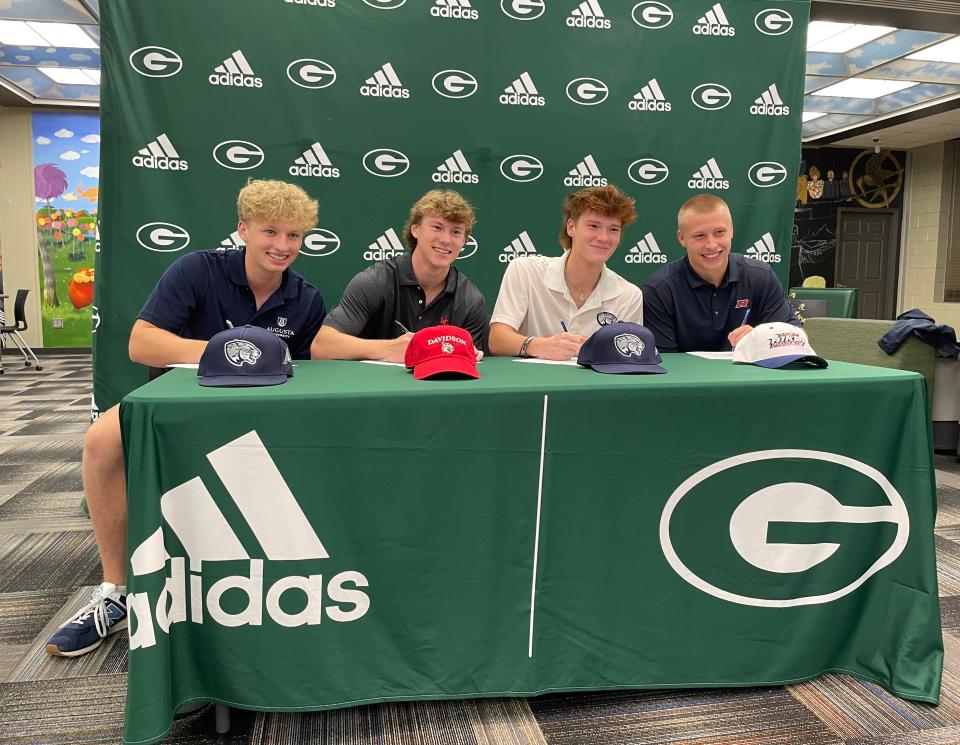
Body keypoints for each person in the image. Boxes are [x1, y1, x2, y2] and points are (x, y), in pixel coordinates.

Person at [45, 179, 326, 657]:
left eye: (294, 236)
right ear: (243, 229)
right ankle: (116, 591)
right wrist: (236, 351)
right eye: (270, 232)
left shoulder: (306, 297)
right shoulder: (196, 269)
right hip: (180, 401)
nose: (282, 246)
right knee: (100, 441)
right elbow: (141, 343)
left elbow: (308, 363)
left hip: (264, 416)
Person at [311, 189, 487, 362]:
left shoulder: (470, 300)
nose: (446, 240)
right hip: (372, 387)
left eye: (456, 232)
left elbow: (471, 364)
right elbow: (321, 346)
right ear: (415, 229)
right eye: (437, 227)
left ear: (464, 241)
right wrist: (389, 349)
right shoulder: (375, 282)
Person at [488, 184, 641, 360]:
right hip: (532, 384)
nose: (603, 238)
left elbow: (629, 358)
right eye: (593, 226)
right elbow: (497, 340)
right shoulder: (525, 270)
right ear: (571, 227)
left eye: (613, 229)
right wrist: (539, 346)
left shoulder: (630, 296)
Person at [641, 194, 799, 353]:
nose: (711, 245)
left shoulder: (761, 276)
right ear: (682, 238)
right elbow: (665, 364)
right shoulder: (659, 290)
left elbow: (797, 338)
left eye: (719, 232)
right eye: (700, 235)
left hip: (750, 377)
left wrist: (761, 337)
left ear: (731, 230)